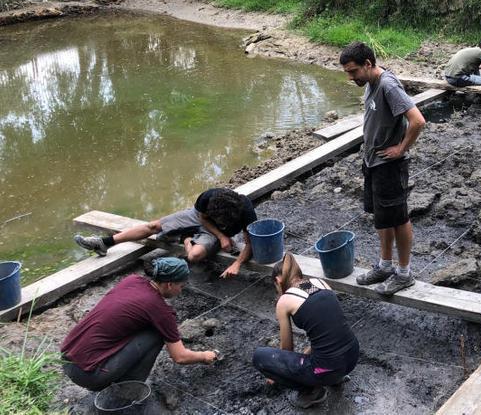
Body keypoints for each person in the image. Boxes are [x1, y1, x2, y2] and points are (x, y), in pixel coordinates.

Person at [339, 42, 426, 296]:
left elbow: (417, 120)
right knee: (382, 217)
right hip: (373, 162)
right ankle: (385, 266)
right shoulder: (370, 83)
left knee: (399, 218)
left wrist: (400, 148)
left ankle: (404, 273)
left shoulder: (388, 85)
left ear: (368, 64)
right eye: (347, 72)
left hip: (390, 166)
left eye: (353, 71)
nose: (350, 77)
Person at [60, 258, 217, 391]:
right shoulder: (160, 310)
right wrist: (205, 356)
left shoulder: (132, 280)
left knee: (142, 324)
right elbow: (180, 357)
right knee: (156, 334)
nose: (180, 291)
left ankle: (117, 377)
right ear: (169, 284)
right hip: (88, 376)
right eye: (181, 286)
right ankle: (131, 389)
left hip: (66, 358)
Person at [74, 187, 257, 279]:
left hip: (211, 232)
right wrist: (221, 235)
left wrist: (237, 264)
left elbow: (250, 243)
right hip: (201, 222)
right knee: (153, 227)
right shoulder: (208, 197)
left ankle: (185, 237)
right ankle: (105, 243)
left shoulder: (245, 210)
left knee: (195, 255)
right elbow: (202, 218)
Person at [252, 253, 359, 409]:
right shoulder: (320, 283)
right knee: (323, 351)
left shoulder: (284, 301)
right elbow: (327, 333)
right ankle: (336, 377)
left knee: (259, 357)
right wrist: (306, 354)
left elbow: (287, 349)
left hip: (328, 369)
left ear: (278, 281)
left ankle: (312, 391)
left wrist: (276, 370)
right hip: (352, 357)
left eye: (276, 287)